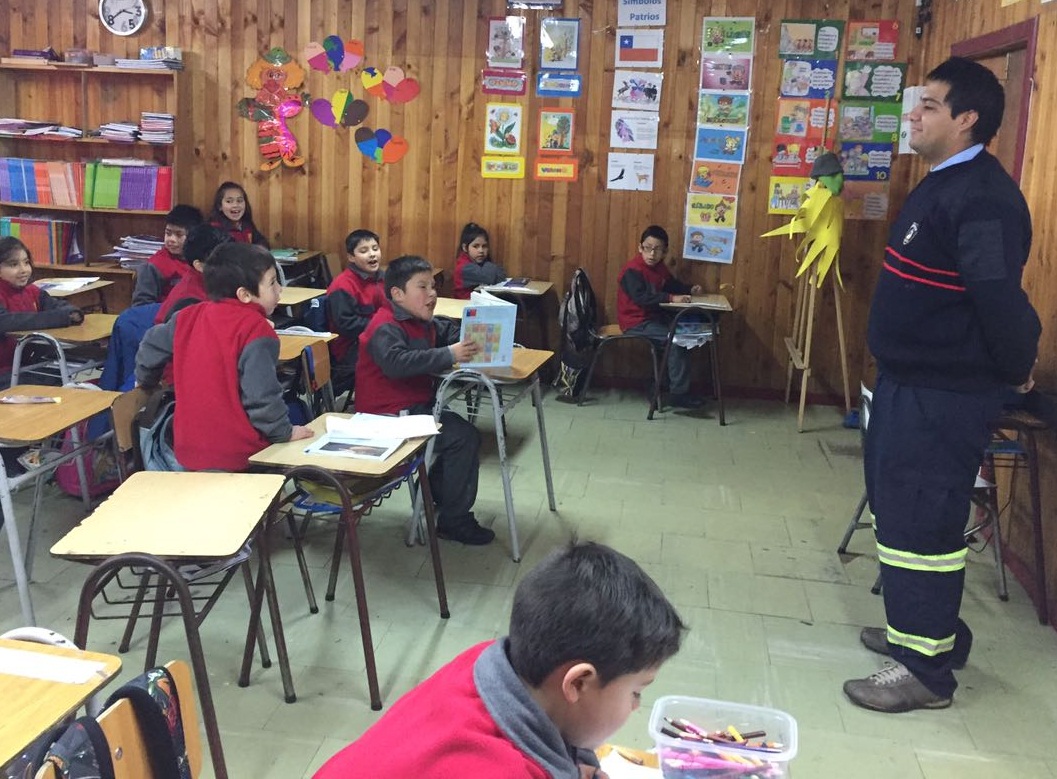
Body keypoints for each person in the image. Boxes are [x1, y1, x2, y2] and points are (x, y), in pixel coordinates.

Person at [844, 57, 1041, 714]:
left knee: (922, 522)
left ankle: (923, 670)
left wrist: (1016, 366)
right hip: (909, 384)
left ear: (967, 119)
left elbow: (997, 299)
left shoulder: (981, 199)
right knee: (897, 514)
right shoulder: (942, 182)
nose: (914, 114)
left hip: (942, 395)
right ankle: (923, 632)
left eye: (928, 104)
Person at [313, 541, 685, 778]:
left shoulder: (484, 664)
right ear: (577, 683)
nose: (636, 707)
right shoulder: (496, 769)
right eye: (636, 692)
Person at [135, 243, 313, 471]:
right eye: (272, 283)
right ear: (245, 295)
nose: (280, 289)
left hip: (187, 451)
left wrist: (146, 381)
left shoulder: (187, 316)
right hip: (241, 456)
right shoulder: (256, 330)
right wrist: (284, 432)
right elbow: (262, 396)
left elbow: (151, 343)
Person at [354, 255, 493, 545]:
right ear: (397, 294)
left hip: (413, 408)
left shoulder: (419, 321)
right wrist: (450, 354)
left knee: (462, 434)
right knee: (463, 437)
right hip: (387, 417)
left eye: (433, 286)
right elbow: (396, 363)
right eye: (422, 287)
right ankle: (454, 520)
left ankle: (437, 494)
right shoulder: (385, 325)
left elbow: (445, 331)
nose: (432, 294)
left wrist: (475, 332)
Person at [616, 225, 704, 409]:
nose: (652, 254)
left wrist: (689, 289)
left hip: (653, 320)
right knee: (676, 340)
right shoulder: (632, 270)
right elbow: (642, 298)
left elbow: (671, 285)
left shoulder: (659, 268)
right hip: (635, 322)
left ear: (665, 252)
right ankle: (678, 394)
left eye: (657, 249)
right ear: (640, 247)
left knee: (685, 335)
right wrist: (671, 298)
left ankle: (658, 385)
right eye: (648, 248)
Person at [0, 237, 83, 381]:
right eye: (14, 264)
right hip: (4, 371)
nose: (23, 270)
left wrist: (73, 313)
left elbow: (61, 307)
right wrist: (61, 318)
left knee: (63, 380)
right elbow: (7, 322)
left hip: (29, 365)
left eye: (26, 262)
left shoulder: (32, 291)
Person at [326, 229, 388, 395]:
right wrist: (386, 326)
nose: (372, 254)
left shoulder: (384, 278)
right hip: (351, 348)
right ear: (351, 257)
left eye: (375, 249)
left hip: (380, 337)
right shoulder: (343, 285)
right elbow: (347, 325)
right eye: (364, 251)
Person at [155, 224, 231, 324]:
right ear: (199, 265)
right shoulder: (189, 302)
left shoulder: (209, 280)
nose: (229, 266)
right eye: (221, 261)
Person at [130, 205, 204, 306]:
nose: (171, 239)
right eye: (168, 233)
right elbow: (141, 306)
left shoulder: (200, 261)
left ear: (194, 236)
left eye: (179, 235)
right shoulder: (154, 266)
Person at [453, 222, 505, 299]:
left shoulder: (479, 263)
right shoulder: (464, 267)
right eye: (476, 246)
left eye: (484, 246)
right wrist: (493, 270)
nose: (481, 250)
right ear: (465, 247)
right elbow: (488, 277)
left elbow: (502, 275)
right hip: (464, 304)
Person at [208, 181, 270, 247]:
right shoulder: (214, 228)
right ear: (220, 206)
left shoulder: (246, 224)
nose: (235, 205)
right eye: (229, 201)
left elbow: (262, 242)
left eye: (239, 201)